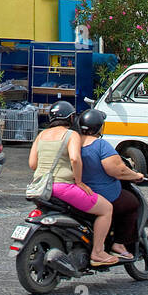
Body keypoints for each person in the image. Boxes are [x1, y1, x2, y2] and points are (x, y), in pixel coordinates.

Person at [27, 102, 120, 267]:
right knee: (106, 209)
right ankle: (98, 252)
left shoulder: (41, 135)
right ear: (71, 118)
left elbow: (33, 164)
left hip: (40, 188)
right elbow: (75, 159)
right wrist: (79, 182)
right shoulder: (71, 135)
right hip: (63, 188)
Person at [75, 109, 147, 261]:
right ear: (99, 127)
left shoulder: (74, 143)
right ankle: (119, 244)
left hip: (78, 193)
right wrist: (136, 175)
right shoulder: (100, 144)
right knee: (131, 203)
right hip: (102, 194)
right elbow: (117, 170)